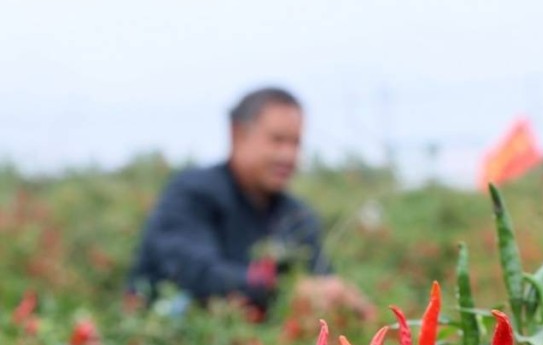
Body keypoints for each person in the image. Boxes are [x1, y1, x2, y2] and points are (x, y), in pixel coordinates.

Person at [128, 87, 372, 317]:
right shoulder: (193, 194)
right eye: (277, 140)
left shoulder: (298, 216)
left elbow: (320, 281)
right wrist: (286, 289)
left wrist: (340, 298)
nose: (288, 155)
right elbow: (197, 275)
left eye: (296, 143)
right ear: (238, 135)